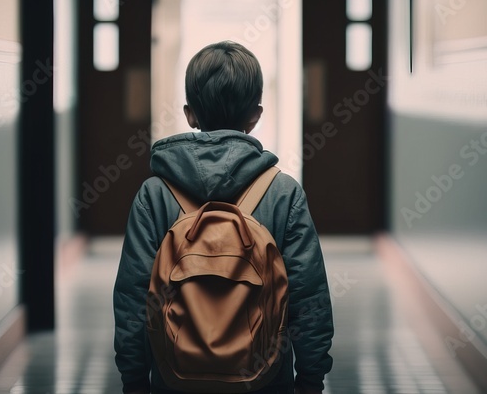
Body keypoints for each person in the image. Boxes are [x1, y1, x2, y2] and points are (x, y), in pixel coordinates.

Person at [113, 41, 334, 394]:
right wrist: (311, 380)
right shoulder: (283, 193)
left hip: (176, 379)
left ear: (190, 114)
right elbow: (309, 298)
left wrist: (135, 380)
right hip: (263, 379)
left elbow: (133, 297)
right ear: (255, 115)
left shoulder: (154, 195)